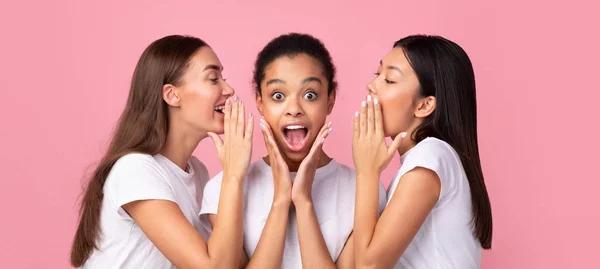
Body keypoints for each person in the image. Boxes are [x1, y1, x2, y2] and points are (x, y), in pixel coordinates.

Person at [200, 33, 386, 269]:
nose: (294, 109)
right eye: (278, 96)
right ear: (259, 101)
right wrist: (280, 200)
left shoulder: (365, 191)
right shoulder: (223, 189)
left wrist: (304, 201)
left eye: (310, 95)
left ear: (330, 99)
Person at [70, 35, 253, 269]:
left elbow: (232, 261)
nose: (229, 89)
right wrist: (233, 176)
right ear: (172, 95)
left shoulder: (197, 172)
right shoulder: (136, 170)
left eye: (223, 78)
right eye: (213, 78)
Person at [352, 34, 493, 269]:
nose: (371, 86)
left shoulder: (431, 156)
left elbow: (369, 265)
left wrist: (366, 171)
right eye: (378, 74)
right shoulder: (426, 160)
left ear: (424, 105)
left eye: (389, 80)